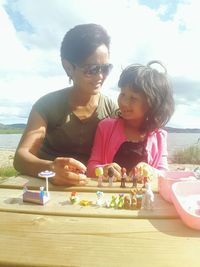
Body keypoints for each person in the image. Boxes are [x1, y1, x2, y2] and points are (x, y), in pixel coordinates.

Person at [13, 23, 117, 185]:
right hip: (47, 185)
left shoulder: (112, 109)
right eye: (91, 69)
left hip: (91, 188)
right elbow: (21, 157)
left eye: (105, 68)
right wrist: (49, 168)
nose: (100, 76)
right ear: (68, 67)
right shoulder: (47, 105)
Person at [87, 61, 175, 180]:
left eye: (133, 98)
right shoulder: (105, 127)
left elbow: (163, 173)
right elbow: (92, 166)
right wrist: (103, 169)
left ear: (152, 103)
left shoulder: (160, 137)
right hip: (108, 196)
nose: (124, 102)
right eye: (122, 94)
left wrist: (151, 171)